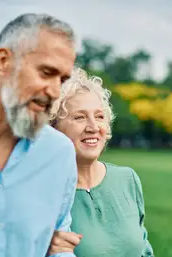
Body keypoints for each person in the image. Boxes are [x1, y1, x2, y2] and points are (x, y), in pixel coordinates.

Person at [0, 13, 81, 257]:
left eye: (62, 79)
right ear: (3, 61)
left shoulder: (59, 153)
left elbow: (58, 244)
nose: (54, 91)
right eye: (46, 72)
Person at [47, 68, 154, 257]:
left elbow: (144, 250)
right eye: (79, 117)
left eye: (99, 116)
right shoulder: (43, 191)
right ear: (53, 127)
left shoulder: (127, 179)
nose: (94, 127)